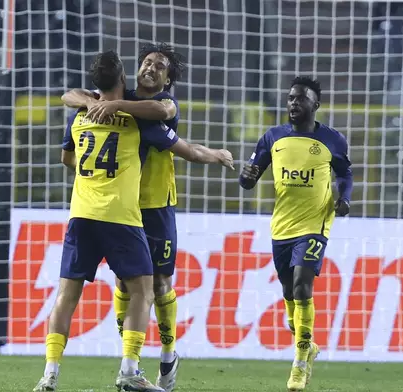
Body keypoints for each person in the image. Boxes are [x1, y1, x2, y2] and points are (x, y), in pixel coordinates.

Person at [61, 43, 234, 392]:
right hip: (118, 207)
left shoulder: (160, 106)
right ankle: (132, 364)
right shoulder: (114, 93)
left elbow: (170, 122)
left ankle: (168, 354)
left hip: (155, 205)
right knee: (126, 285)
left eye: (159, 66)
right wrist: (95, 102)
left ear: (168, 78)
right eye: (146, 62)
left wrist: (215, 153)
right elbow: (71, 94)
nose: (150, 68)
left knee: (158, 284)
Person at [239, 77, 352, 392]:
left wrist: (343, 198)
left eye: (300, 98)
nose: (293, 103)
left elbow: (345, 173)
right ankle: (307, 342)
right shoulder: (273, 137)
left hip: (315, 225)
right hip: (282, 227)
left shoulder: (332, 140)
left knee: (303, 284)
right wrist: (244, 177)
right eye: (290, 98)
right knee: (290, 292)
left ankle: (300, 360)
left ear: (315, 104)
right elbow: (250, 178)